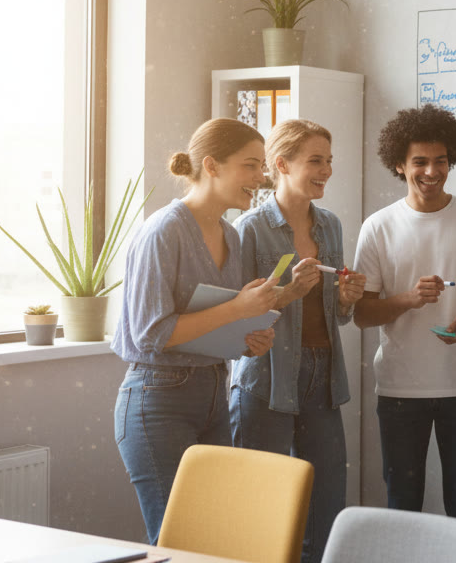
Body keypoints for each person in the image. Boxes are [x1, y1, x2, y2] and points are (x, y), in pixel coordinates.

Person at [111, 118, 279, 543]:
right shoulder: (163, 231)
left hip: (212, 394)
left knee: (215, 542)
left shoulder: (230, 234)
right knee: (178, 544)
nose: (261, 179)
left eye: (261, 167)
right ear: (212, 166)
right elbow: (151, 334)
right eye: (251, 166)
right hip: (157, 400)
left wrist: (248, 338)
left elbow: (213, 321)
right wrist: (238, 308)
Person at [352, 104, 456, 522]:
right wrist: (408, 299)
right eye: (419, 162)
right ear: (399, 165)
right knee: (402, 508)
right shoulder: (378, 227)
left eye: (441, 161)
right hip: (401, 390)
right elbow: (362, 314)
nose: (431, 171)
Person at [230, 119, 367, 562]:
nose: (326, 169)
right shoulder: (249, 229)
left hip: (324, 377)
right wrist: (288, 293)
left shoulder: (330, 227)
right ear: (280, 164)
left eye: (329, 160)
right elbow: (236, 319)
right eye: (315, 161)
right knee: (262, 506)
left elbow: (338, 317)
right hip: (266, 379)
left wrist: (345, 299)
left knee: (326, 506)